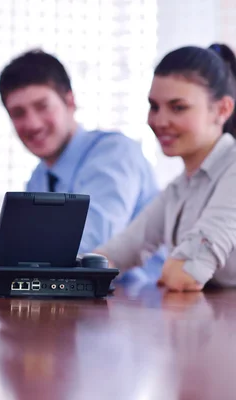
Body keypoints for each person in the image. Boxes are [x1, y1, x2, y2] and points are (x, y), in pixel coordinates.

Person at [0, 49, 162, 280]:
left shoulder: (115, 153)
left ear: (70, 101)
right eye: (18, 113)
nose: (32, 123)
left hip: (151, 306)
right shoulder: (42, 174)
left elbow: (89, 247)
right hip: (90, 311)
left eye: (42, 106)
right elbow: (9, 240)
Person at [95, 44, 236, 292]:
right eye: (154, 106)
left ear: (222, 109)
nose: (159, 121)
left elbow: (185, 273)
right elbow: (119, 252)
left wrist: (181, 268)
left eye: (178, 107)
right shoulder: (180, 187)